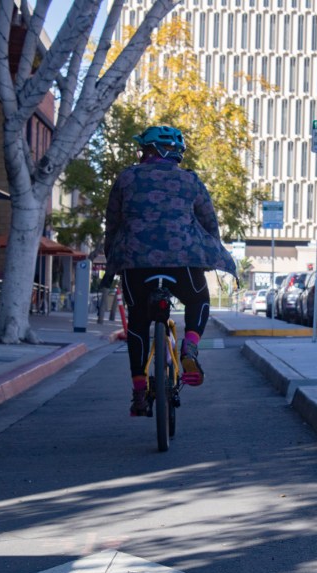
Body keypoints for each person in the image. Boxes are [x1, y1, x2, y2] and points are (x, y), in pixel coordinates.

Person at [104, 125, 237, 417]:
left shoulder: (126, 177)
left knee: (138, 322)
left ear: (149, 151)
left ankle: (139, 393)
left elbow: (112, 222)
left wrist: (111, 255)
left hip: (135, 262)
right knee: (198, 298)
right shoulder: (190, 180)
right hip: (183, 261)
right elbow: (209, 222)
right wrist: (209, 250)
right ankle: (189, 346)